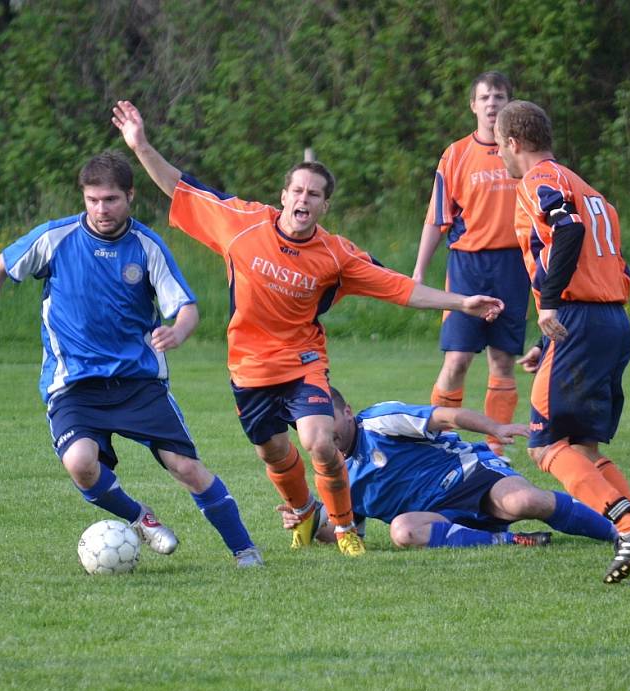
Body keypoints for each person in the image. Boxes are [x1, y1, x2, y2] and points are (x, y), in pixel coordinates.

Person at [112, 100, 504, 557]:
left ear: (323, 205)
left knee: (319, 442)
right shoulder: (241, 224)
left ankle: (344, 529)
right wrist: (140, 145)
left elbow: (400, 289)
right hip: (249, 366)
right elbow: (179, 188)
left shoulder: (336, 254)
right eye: (297, 190)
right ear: (284, 196)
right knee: (273, 454)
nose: (303, 199)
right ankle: (302, 513)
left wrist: (462, 302)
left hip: (303, 362)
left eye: (313, 194)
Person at [0, 151, 263, 568]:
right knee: (81, 465)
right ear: (84, 198)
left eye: (111, 200)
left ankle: (245, 551)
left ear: (130, 196)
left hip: (137, 383)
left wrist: (178, 330)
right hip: (75, 386)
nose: (102, 209)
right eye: (93, 200)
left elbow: (186, 306)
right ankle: (141, 518)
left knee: (186, 467)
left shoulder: (146, 246)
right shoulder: (55, 239)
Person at [495, 100, 630, 584]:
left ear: (513, 141)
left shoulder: (540, 180)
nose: (500, 156)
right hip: (610, 320)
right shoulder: (593, 192)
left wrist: (553, 304)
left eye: (499, 146)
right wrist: (545, 334)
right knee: (583, 446)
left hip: (579, 319)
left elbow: (566, 229)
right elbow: (617, 267)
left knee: (544, 445)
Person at [277, 387, 617, 551]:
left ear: (347, 411)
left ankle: (622, 532)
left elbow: (446, 417)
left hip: (470, 476)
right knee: (402, 532)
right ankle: (511, 541)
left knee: (524, 503)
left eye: (330, 420)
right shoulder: (334, 476)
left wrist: (493, 428)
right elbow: (346, 529)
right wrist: (304, 519)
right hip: (437, 518)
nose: (325, 432)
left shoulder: (380, 421)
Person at [412, 71, 528, 460]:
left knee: (502, 359)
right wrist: (418, 272)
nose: (492, 103)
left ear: (509, 103)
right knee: (458, 358)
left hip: (514, 263)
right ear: (474, 105)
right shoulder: (457, 153)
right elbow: (437, 217)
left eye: (499, 96)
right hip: (467, 265)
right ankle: (440, 440)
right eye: (485, 97)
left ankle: (496, 447)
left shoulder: (525, 153)